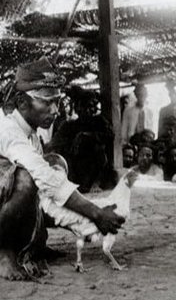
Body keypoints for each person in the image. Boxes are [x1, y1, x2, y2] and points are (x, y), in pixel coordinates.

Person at [0, 57, 124, 280]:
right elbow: (43, 180)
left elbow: (46, 198)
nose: (55, 110)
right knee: (27, 179)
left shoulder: (32, 135)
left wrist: (81, 222)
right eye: (47, 102)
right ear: (22, 103)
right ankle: (3, 253)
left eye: (56, 101)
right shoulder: (7, 129)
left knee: (55, 161)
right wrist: (94, 212)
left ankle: (35, 244)